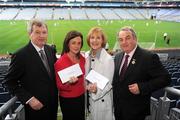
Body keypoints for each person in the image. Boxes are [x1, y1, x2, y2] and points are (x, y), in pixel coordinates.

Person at [2, 19, 58, 120]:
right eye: (37, 32)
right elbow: (9, 82)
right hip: (35, 110)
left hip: (52, 105)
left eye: (44, 32)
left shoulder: (50, 50)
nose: (41, 35)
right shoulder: (20, 55)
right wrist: (29, 99)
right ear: (29, 34)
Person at [112, 26, 171, 120]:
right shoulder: (118, 57)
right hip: (118, 110)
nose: (124, 42)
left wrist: (142, 87)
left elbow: (166, 78)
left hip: (136, 111)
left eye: (127, 38)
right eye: (121, 39)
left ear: (135, 39)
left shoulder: (148, 57)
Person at [54, 30, 85, 120]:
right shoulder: (60, 62)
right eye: (73, 43)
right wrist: (69, 83)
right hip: (68, 100)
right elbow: (59, 85)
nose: (76, 46)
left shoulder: (82, 58)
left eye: (79, 43)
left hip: (81, 97)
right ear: (68, 44)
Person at [85, 27, 114, 120]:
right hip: (89, 100)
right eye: (92, 37)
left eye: (98, 38)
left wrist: (96, 90)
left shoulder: (108, 59)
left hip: (102, 101)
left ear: (102, 41)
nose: (95, 40)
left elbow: (108, 85)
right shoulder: (86, 55)